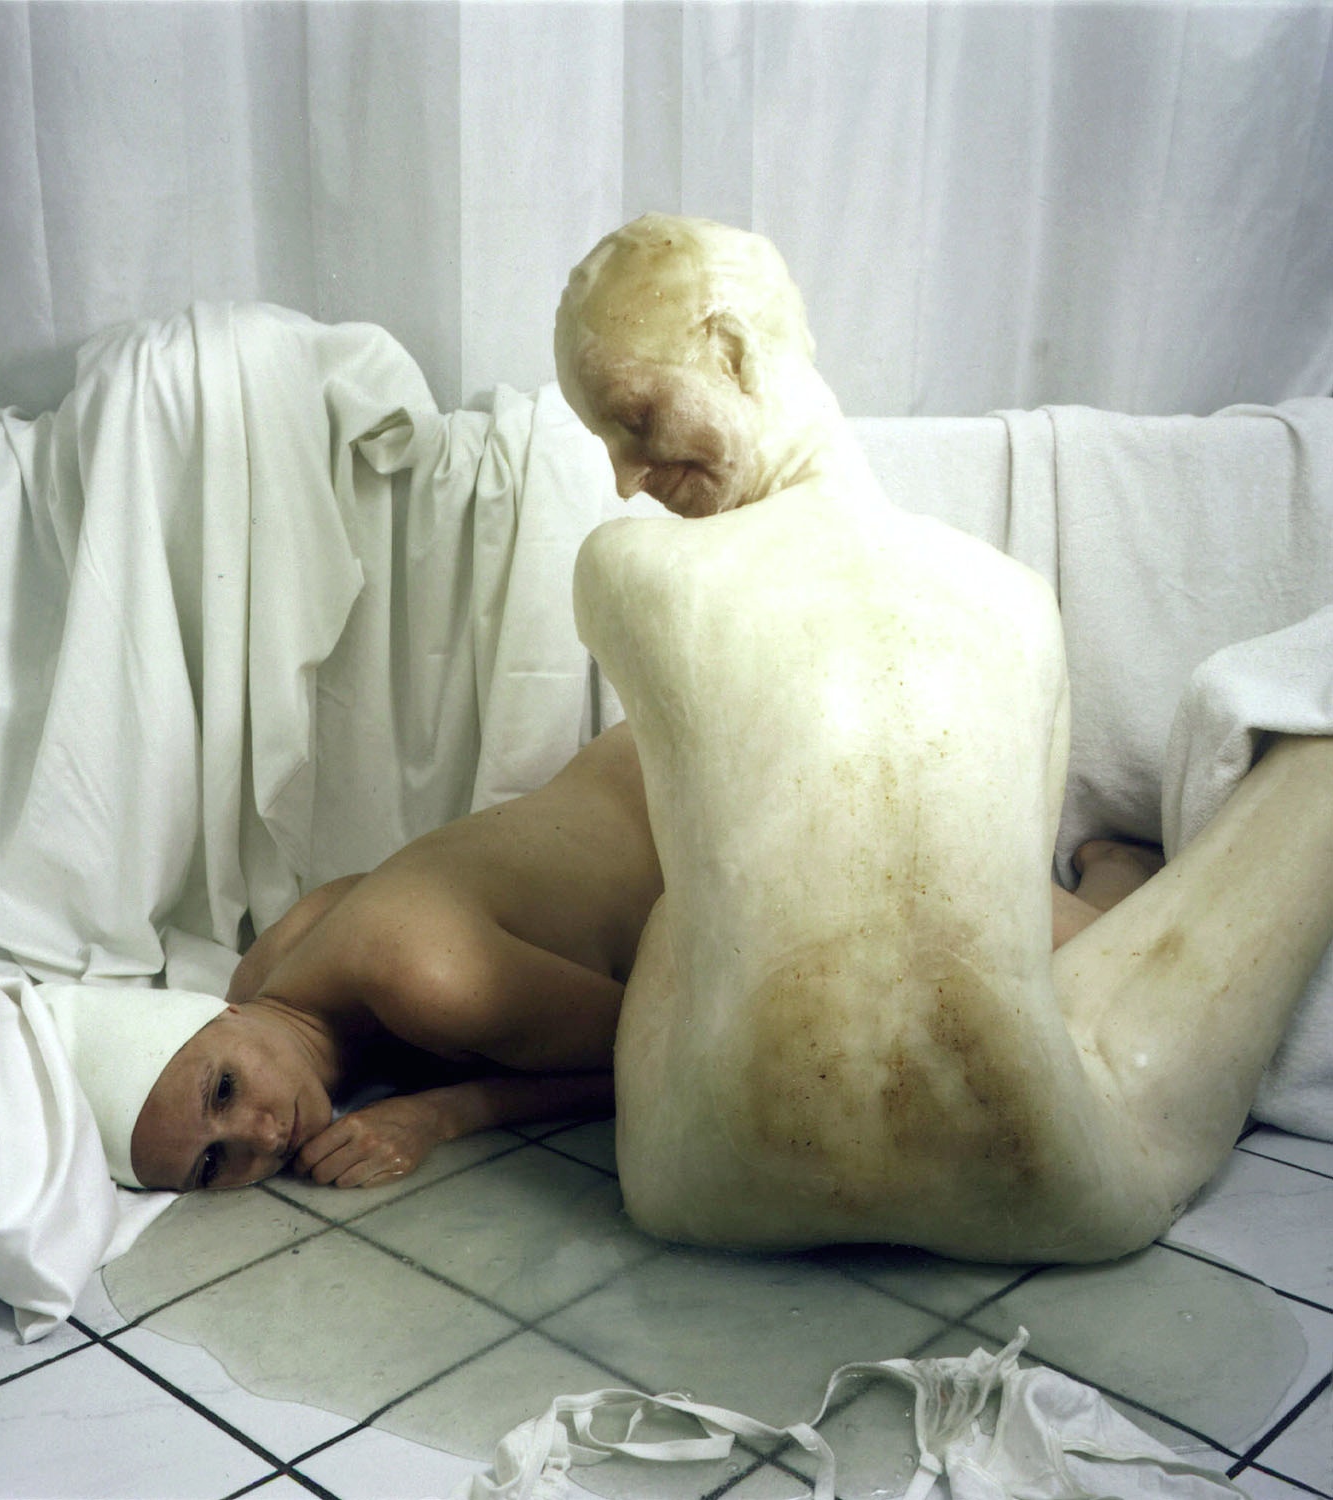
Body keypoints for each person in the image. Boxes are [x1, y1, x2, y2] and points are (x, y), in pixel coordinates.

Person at [555, 213, 1333, 1262]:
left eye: (633, 420)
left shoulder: (622, 572)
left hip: (703, 1181)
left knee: (680, 909)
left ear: (732, 349)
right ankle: (1132, 871)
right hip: (1048, 1191)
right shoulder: (1015, 598)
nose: (622, 479)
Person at [115, 719, 1153, 1195]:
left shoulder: (421, 977)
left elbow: (678, 1053)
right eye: (214, 1163)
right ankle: (1091, 867)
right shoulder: (269, 970)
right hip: (646, 770)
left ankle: (1113, 871)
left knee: (1103, 977)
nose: (260, 1135)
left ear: (214, 1020)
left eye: (222, 1090)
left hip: (736, 783)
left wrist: (444, 1113)